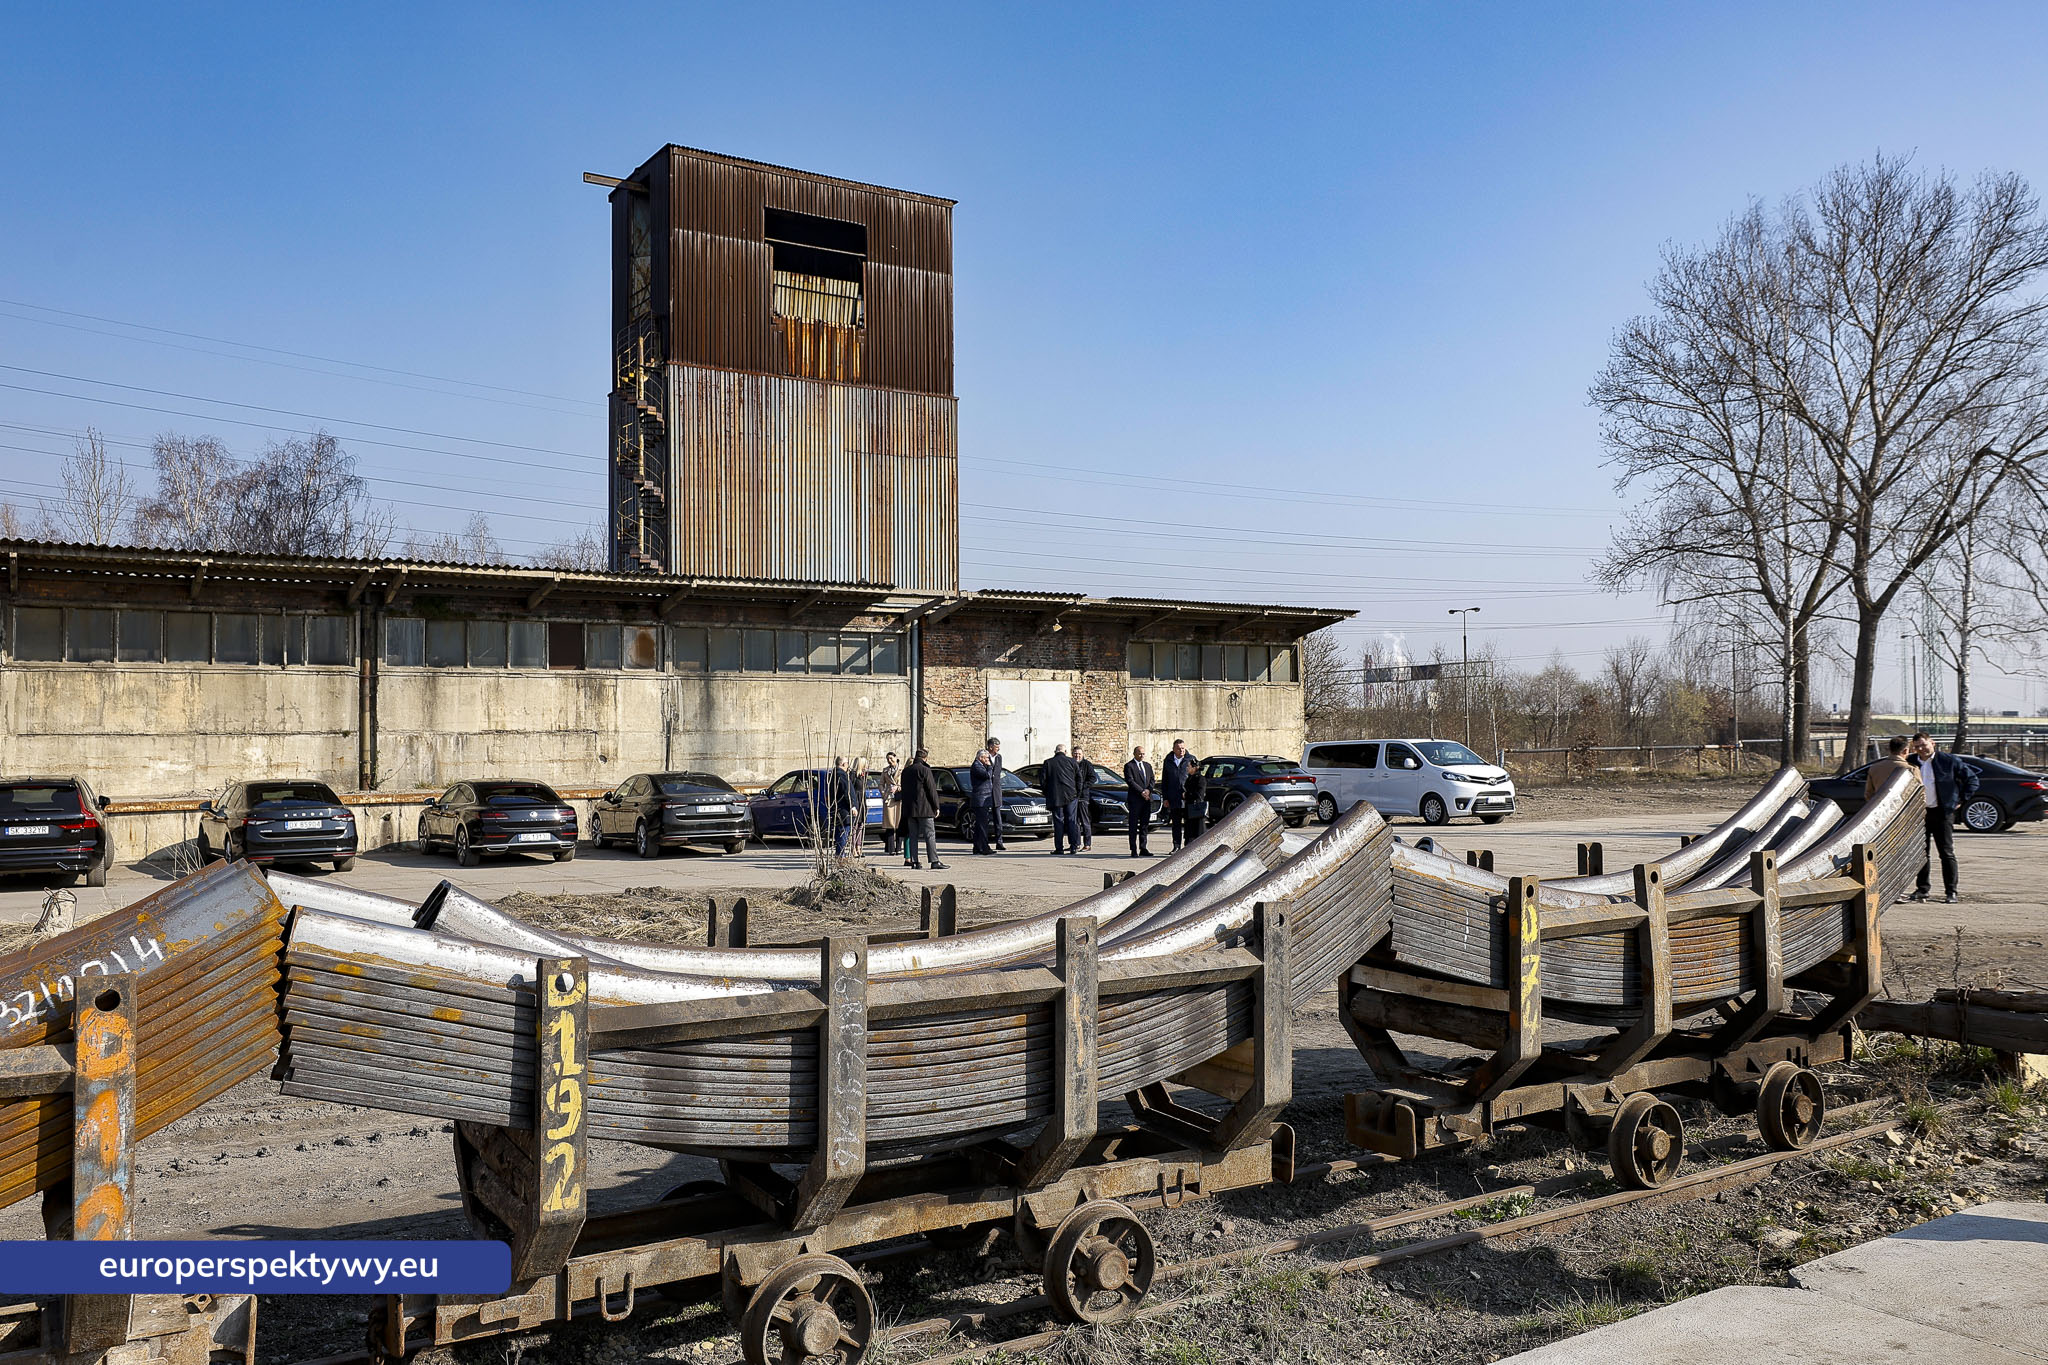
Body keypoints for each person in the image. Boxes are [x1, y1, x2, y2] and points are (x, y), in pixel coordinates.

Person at [1908, 732, 1978, 904]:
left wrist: (1960, 800)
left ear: (1933, 743)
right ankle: (1922, 889)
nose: (1921, 749)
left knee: (1946, 853)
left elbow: (1972, 780)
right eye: (1917, 746)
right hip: (1919, 814)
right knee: (1921, 854)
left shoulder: (1949, 761)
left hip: (1942, 813)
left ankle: (1951, 891)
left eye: (1924, 745)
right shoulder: (1911, 762)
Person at [899, 748, 944, 870]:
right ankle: (934, 861)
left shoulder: (906, 771)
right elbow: (931, 790)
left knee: (913, 835)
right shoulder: (925, 770)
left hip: (910, 809)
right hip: (925, 808)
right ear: (925, 758)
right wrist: (936, 806)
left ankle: (914, 862)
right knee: (929, 834)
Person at [1041, 743, 1082, 855]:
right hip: (1071, 796)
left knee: (1058, 822)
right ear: (1065, 752)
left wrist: (1048, 793)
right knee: (1071, 821)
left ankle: (1059, 848)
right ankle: (1073, 846)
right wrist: (1077, 793)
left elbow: (1043, 782)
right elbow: (1079, 778)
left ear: (1055, 752)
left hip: (1055, 796)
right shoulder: (1072, 761)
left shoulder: (1048, 763)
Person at [1161, 739, 1195, 852]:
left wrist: (1190, 792)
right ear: (1174, 749)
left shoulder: (1190, 759)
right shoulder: (1168, 760)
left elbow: (1197, 777)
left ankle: (1188, 846)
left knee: (1189, 824)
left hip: (1187, 798)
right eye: (1179, 749)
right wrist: (1165, 797)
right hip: (1173, 798)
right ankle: (1176, 846)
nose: (1181, 751)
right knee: (1176, 824)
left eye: (1183, 748)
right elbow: (1165, 781)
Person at [1124, 746, 1156, 857]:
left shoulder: (1147, 766)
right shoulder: (1129, 766)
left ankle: (1143, 847)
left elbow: (1152, 780)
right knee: (1133, 825)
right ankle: (1133, 849)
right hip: (1135, 800)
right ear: (1134, 754)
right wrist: (1141, 791)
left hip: (1146, 800)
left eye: (1143, 753)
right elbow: (1130, 781)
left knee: (1144, 825)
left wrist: (1148, 790)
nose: (1142, 756)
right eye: (1139, 754)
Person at [1865, 736, 1917, 800]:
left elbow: (1869, 793)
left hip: (1881, 806)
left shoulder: (1874, 768)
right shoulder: (1910, 769)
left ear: (1890, 749)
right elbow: (1918, 793)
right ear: (1905, 751)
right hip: (1903, 806)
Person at [828, 756, 860, 857]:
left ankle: (839, 854)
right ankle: (840, 856)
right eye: (847, 764)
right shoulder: (841, 775)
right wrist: (853, 806)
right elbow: (847, 792)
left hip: (837, 809)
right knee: (843, 833)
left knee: (839, 833)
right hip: (844, 810)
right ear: (844, 764)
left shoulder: (833, 775)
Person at [969, 742, 997, 855]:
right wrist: (990, 766)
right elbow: (987, 775)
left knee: (980, 824)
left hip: (984, 799)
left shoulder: (980, 765)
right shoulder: (976, 766)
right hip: (980, 799)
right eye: (986, 758)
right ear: (980, 758)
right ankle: (984, 847)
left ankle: (977, 846)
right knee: (982, 825)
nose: (987, 760)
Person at [879, 751, 902, 857]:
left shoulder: (902, 770)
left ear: (895, 758)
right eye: (888, 759)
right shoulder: (885, 771)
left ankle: (899, 848)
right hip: (889, 799)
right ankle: (891, 849)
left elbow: (905, 783)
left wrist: (898, 788)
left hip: (899, 798)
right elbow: (881, 784)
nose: (889, 760)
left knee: (899, 824)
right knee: (889, 824)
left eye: (891, 758)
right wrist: (884, 793)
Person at [1073, 743, 1095, 852]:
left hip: (1083, 797)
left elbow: (1092, 779)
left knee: (1084, 821)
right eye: (1075, 754)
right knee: (1075, 822)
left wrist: (1082, 787)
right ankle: (1076, 843)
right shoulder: (1071, 764)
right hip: (1072, 797)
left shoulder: (1087, 765)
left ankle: (1087, 844)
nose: (1077, 756)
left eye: (1079, 754)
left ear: (1083, 754)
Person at [1181, 757, 1208, 846]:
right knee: (1189, 833)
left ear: (1194, 767)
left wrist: (1187, 795)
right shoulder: (1190, 778)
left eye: (1188, 766)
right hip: (1189, 810)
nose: (1187, 768)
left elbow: (1199, 794)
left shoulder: (1200, 779)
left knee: (1197, 833)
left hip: (1196, 810)